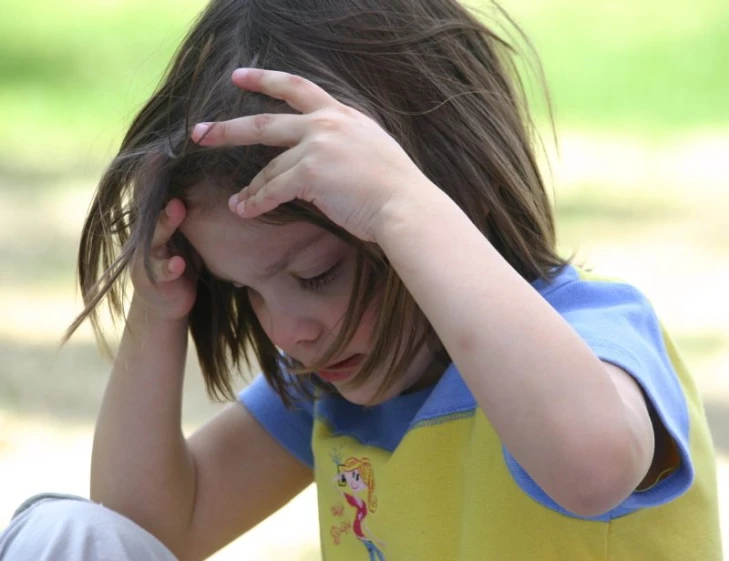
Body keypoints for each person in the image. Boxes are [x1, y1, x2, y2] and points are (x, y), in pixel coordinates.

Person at [0, 0, 722, 559]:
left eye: (316, 273)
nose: (286, 331)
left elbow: (591, 467)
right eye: (248, 291)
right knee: (64, 533)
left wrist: (402, 206)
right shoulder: (331, 391)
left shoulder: (592, 337)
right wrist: (159, 309)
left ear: (437, 200)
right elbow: (142, 528)